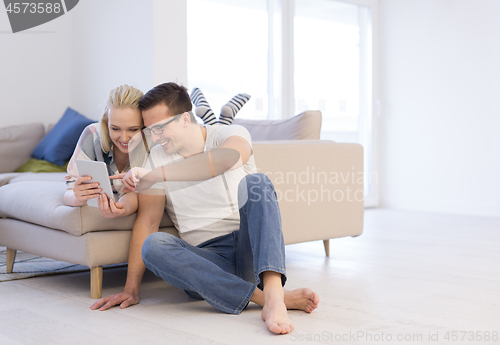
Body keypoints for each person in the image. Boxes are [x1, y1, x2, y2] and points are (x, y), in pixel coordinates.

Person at [90, 82, 319, 335]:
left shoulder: (226, 134)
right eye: (150, 131)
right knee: (153, 245)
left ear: (185, 119)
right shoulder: (156, 157)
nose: (154, 138)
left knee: (258, 182)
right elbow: (148, 222)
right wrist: (130, 289)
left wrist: (156, 175)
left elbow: (225, 160)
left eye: (159, 129)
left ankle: (274, 294)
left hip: (250, 248)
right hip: (208, 262)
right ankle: (265, 299)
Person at [63, 85, 146, 218]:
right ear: (107, 122)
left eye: (133, 129)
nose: (124, 138)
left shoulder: (153, 144)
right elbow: (68, 193)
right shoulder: (92, 135)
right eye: (115, 128)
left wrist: (124, 208)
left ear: (144, 125)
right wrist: (77, 196)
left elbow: (136, 194)